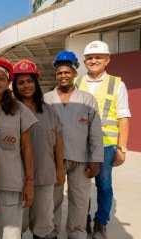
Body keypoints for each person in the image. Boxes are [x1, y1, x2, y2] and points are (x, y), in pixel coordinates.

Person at [44, 51, 104, 239]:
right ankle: (50, 232)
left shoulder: (87, 100)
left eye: (67, 72)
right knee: (52, 200)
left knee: (79, 200)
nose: (63, 76)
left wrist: (95, 159)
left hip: (81, 159)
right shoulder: (46, 99)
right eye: (60, 72)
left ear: (74, 73)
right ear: (56, 74)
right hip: (54, 160)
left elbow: (95, 133)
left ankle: (76, 233)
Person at [75, 41, 131, 239]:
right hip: (80, 145)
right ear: (84, 62)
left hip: (107, 144)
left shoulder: (118, 84)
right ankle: (85, 221)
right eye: (90, 58)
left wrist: (121, 148)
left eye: (98, 57)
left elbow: (123, 117)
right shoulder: (77, 82)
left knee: (104, 185)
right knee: (82, 186)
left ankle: (101, 222)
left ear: (107, 60)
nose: (94, 61)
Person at [0, 57, 37, 239]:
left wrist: (29, 182)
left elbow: (27, 148)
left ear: (8, 83)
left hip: (11, 185)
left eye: (1, 77)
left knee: (10, 234)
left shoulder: (19, 110)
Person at [11, 59, 64, 239]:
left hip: (45, 175)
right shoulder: (10, 110)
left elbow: (57, 140)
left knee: (44, 224)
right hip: (17, 179)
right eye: (20, 82)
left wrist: (60, 169)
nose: (26, 86)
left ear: (36, 82)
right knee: (17, 224)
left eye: (29, 81)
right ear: (14, 86)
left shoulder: (49, 111)